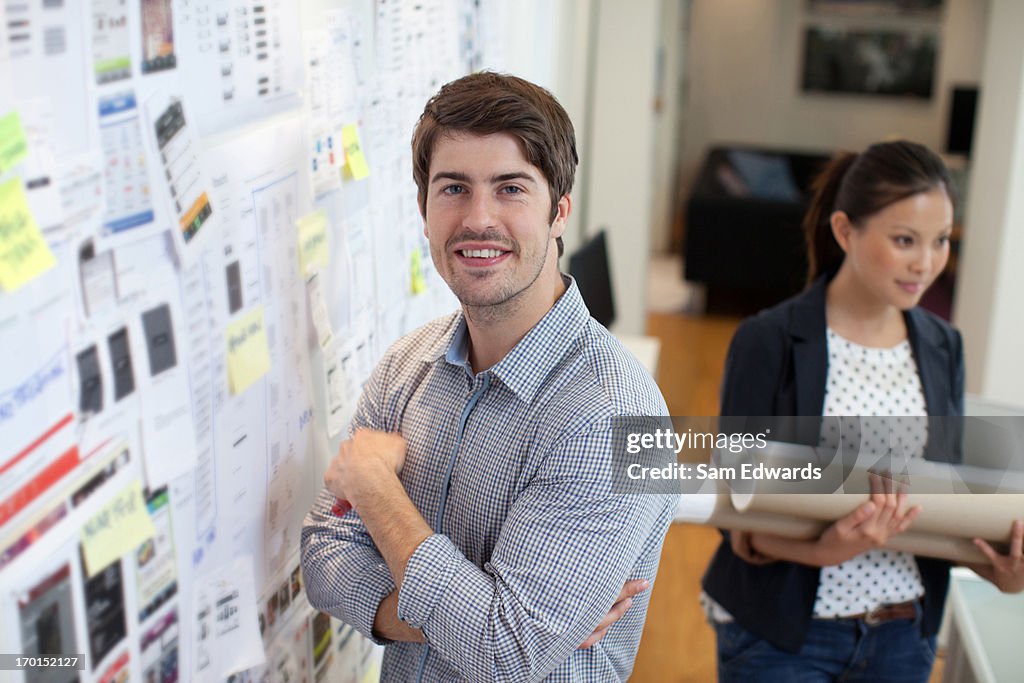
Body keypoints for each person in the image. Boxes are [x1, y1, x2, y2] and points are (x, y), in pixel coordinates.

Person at [301, 72, 676, 682]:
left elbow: (505, 656)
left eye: (510, 189)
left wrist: (376, 491)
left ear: (559, 213)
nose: (479, 219)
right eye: (453, 188)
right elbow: (321, 558)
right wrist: (478, 618)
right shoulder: (406, 367)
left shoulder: (619, 415)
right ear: (423, 211)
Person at [700, 140, 1024, 682]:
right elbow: (735, 514)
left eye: (940, 240)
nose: (927, 262)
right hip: (783, 636)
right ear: (846, 231)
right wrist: (824, 551)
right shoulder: (768, 340)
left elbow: (945, 499)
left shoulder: (945, 346)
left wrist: (1005, 573)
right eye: (904, 241)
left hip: (903, 636)